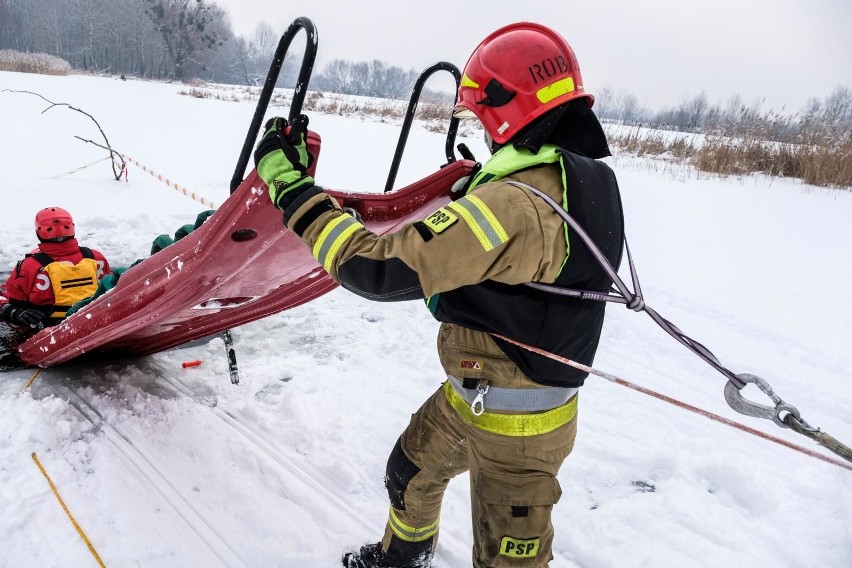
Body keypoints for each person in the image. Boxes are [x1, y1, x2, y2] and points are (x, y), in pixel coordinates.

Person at [254, 22, 624, 568]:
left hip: (515, 433)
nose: (479, 123)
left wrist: (292, 190)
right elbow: (529, 273)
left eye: (479, 113)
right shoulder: (579, 177)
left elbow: (374, 270)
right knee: (409, 472)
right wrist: (477, 189)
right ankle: (402, 558)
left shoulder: (512, 205)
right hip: (477, 391)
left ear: (504, 109)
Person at [0, 207, 111, 331]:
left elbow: (13, 299)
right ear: (72, 228)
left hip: (48, 329)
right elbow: (109, 287)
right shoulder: (96, 257)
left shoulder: (29, 266)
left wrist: (9, 310)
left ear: (39, 233)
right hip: (97, 320)